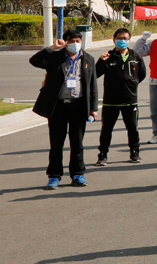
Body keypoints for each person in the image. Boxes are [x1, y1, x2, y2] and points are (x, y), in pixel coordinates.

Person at [31, 31, 99, 189]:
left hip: (78, 106)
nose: (75, 43)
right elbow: (34, 61)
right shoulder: (55, 57)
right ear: (65, 42)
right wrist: (52, 48)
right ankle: (54, 176)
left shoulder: (88, 59)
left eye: (78, 40)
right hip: (58, 106)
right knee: (56, 144)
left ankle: (78, 174)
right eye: (71, 41)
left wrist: (93, 108)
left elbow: (92, 86)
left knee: (77, 144)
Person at [94, 28, 146, 166]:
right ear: (114, 40)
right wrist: (101, 61)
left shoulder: (135, 56)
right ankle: (103, 154)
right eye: (119, 38)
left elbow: (141, 74)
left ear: (129, 40)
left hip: (130, 101)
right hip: (110, 101)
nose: (122, 41)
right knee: (106, 130)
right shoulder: (108, 56)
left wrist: (132, 84)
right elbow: (95, 74)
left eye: (125, 38)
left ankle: (134, 153)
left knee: (133, 129)